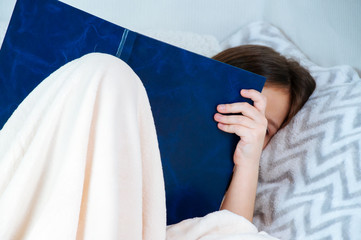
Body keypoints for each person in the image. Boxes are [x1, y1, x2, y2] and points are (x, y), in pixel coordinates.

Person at [212, 45, 316, 222]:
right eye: (239, 112)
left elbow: (232, 233)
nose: (242, 127)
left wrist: (247, 164)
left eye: (264, 129)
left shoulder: (228, 189)